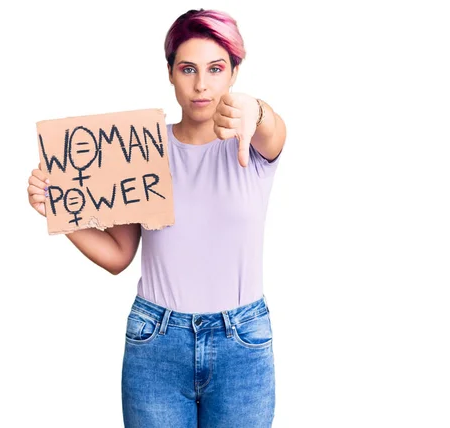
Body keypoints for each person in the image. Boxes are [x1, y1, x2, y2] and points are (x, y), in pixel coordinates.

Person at [27, 8, 286, 427]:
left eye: (215, 69)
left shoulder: (252, 142)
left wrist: (256, 111)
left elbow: (273, 127)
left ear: (234, 73)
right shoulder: (141, 150)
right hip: (156, 341)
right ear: (170, 73)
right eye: (188, 69)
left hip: (242, 342)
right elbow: (117, 255)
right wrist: (58, 208)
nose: (201, 85)